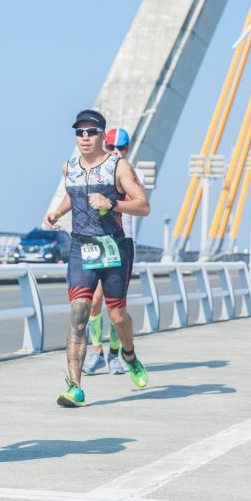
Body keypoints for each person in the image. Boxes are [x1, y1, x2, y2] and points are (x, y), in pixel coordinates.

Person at [43, 110, 150, 406]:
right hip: (81, 246)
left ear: (103, 135)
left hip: (115, 245)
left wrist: (112, 203)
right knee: (80, 310)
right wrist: (57, 212)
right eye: (80, 132)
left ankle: (128, 354)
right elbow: (72, 195)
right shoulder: (69, 168)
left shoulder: (119, 167)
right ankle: (74, 388)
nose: (85, 137)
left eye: (91, 132)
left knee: (117, 315)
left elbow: (143, 206)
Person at [82, 127, 142, 377]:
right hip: (97, 239)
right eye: (111, 147)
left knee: (116, 309)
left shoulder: (130, 172)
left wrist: (112, 201)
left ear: (128, 149)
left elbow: (140, 204)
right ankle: (96, 353)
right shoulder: (94, 170)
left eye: (122, 147)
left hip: (122, 240)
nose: (116, 151)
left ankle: (116, 355)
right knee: (93, 302)